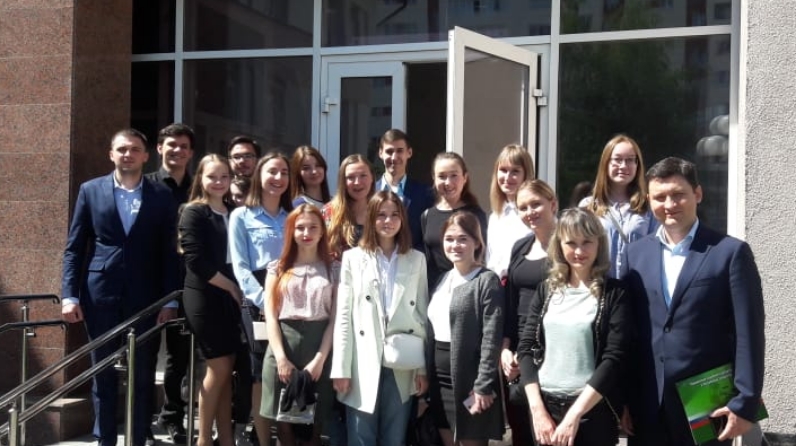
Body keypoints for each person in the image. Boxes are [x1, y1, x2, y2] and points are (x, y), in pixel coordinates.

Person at [621, 157, 765, 446]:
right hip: (647, 405)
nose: (669, 204)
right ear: (649, 200)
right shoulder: (634, 254)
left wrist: (745, 401)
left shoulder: (730, 253)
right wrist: (621, 397)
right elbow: (628, 332)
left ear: (697, 194)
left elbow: (748, 333)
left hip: (707, 403)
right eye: (660, 197)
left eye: (678, 194)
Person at [61, 128, 179, 446]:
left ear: (146, 156)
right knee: (103, 372)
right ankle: (105, 439)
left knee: (142, 374)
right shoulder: (90, 190)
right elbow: (75, 248)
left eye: (135, 149)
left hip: (147, 298)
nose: (128, 154)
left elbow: (170, 253)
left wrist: (171, 300)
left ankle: (138, 437)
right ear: (111, 154)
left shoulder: (162, 195)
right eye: (122, 149)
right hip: (100, 294)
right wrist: (69, 295)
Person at [517, 208, 630, 446]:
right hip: (545, 409)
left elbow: (614, 358)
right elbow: (526, 348)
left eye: (587, 242)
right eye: (571, 243)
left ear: (599, 244)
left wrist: (574, 415)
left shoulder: (615, 293)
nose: (579, 251)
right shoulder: (546, 289)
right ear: (559, 245)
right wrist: (537, 410)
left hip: (592, 411)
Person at [331, 191, 430, 446]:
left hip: (402, 360)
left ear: (402, 219)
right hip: (361, 361)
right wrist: (341, 368)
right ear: (371, 218)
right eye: (381, 215)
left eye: (394, 215)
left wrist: (421, 368)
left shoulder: (417, 259)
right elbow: (344, 317)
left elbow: (421, 315)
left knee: (394, 439)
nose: (388, 221)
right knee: (360, 438)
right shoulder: (353, 258)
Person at [179, 154, 246, 446]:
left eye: (224, 177)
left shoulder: (235, 211)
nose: (219, 182)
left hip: (230, 298)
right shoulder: (193, 212)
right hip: (205, 296)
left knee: (227, 368)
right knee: (219, 367)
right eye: (212, 176)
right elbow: (196, 261)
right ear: (200, 179)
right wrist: (231, 287)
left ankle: (226, 439)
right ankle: (204, 439)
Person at [260, 204, 338, 446]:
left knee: (316, 427)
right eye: (300, 227)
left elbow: (335, 319)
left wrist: (320, 359)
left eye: (313, 227)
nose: (306, 233)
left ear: (322, 231)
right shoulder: (277, 268)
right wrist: (281, 358)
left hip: (320, 346)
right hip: (284, 345)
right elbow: (271, 316)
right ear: (291, 231)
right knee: (284, 427)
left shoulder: (334, 268)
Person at [229, 153, 294, 446]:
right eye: (272, 172)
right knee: (261, 373)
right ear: (258, 176)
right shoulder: (241, 216)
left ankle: (287, 437)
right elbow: (241, 267)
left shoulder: (294, 215)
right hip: (257, 301)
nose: (278, 178)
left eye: (284, 172)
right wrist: (265, 301)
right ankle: (264, 438)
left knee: (289, 366)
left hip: (294, 299)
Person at [426, 211, 504, 446]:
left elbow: (491, 337)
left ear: (477, 242)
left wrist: (483, 385)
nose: (455, 245)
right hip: (439, 382)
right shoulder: (442, 279)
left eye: (462, 239)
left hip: (470, 382)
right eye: (449, 239)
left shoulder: (486, 280)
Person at [146, 123, 195, 445]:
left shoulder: (197, 189)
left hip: (186, 284)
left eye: (183, 146)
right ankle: (141, 422)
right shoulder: (146, 186)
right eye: (171, 145)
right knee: (146, 357)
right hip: (149, 285)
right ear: (159, 148)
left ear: (191, 152)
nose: (177, 150)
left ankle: (173, 417)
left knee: (179, 358)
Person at [500, 180, 558, 446]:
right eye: (523, 207)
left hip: (552, 352)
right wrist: (505, 348)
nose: (529, 212)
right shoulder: (520, 247)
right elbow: (510, 304)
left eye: (536, 204)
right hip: (519, 353)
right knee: (522, 430)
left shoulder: (568, 247)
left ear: (553, 204)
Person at [580, 135, 657, 278]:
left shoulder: (649, 206)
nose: (623, 166)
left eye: (630, 160)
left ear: (637, 165)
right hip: (599, 285)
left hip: (637, 287)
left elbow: (656, 253)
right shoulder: (588, 206)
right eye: (617, 159)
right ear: (606, 163)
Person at [421, 152, 488, 289]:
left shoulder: (475, 214)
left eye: (454, 175)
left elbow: (482, 256)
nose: (448, 182)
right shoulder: (427, 215)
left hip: (467, 288)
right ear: (434, 178)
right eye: (442, 176)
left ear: (465, 178)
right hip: (436, 291)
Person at [375, 129, 435, 249]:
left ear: (409, 153)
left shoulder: (425, 194)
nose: (394, 157)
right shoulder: (370, 192)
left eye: (400, 151)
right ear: (380, 153)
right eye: (389, 151)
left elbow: (428, 235)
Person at [485, 144, 535, 279]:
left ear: (525, 175)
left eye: (515, 171)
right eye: (503, 170)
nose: (507, 177)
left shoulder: (534, 214)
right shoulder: (495, 216)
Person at [322, 154, 375, 259]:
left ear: (372, 178)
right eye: (350, 177)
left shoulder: (381, 212)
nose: (357, 182)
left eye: (363, 175)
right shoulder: (328, 212)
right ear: (343, 182)